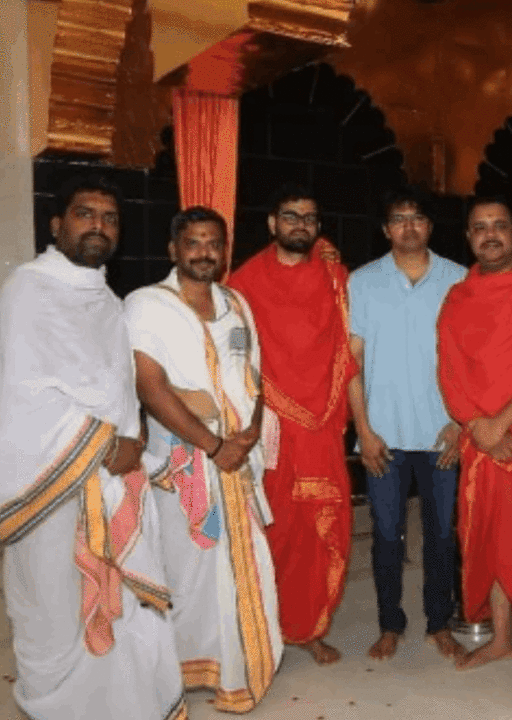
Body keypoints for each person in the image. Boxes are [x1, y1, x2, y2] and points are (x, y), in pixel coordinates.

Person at [0, 175, 186, 720]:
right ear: (56, 225)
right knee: (55, 611)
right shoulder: (28, 289)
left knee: (123, 608)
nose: (98, 224)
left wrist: (132, 442)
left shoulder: (107, 299)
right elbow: (27, 392)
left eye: (110, 217)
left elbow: (116, 387)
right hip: (52, 481)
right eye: (85, 214)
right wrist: (105, 446)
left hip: (114, 479)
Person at [125, 207, 283, 711]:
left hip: (238, 461)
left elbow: (254, 376)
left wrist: (251, 431)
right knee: (186, 574)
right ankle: (175, 674)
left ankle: (236, 669)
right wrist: (215, 447)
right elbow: (150, 387)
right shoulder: (147, 305)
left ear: (224, 250)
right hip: (184, 469)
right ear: (174, 250)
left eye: (213, 243)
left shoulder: (237, 304)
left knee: (242, 569)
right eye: (192, 243)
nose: (203, 253)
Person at [228, 184, 354, 665]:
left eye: (309, 218)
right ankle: (266, 629)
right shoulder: (243, 283)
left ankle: (308, 627)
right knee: (274, 530)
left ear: (318, 228)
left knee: (322, 532)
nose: (300, 224)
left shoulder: (335, 277)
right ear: (271, 223)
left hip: (322, 427)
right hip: (271, 426)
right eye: (290, 216)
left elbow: (345, 354)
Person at [437, 197, 512, 691]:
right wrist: (476, 425)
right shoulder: (458, 299)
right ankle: (503, 637)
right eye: (480, 228)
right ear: (468, 238)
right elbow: (448, 372)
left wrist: (500, 424)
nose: (490, 235)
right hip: (481, 440)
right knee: (487, 540)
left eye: (499, 227)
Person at [348, 186, 467, 661]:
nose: (409, 226)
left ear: (430, 227)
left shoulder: (458, 279)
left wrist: (461, 422)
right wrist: (363, 431)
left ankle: (439, 622)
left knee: (442, 533)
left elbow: (469, 361)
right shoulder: (362, 282)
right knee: (387, 532)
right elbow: (351, 363)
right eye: (398, 218)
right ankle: (389, 624)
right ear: (385, 229)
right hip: (383, 437)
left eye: (417, 218)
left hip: (443, 435)